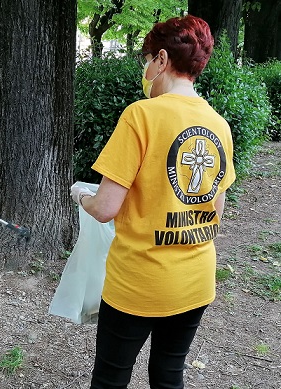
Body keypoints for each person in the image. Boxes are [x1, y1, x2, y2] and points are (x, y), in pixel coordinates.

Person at [70, 15, 236, 388]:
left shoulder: (140, 115)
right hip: (195, 279)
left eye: (146, 59)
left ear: (161, 59)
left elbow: (106, 207)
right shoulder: (218, 124)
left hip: (139, 280)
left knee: (111, 378)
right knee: (168, 373)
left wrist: (83, 197)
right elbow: (216, 212)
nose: (145, 68)